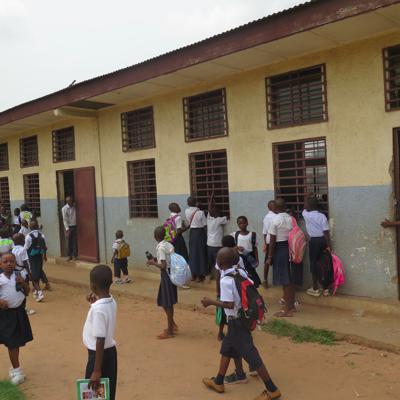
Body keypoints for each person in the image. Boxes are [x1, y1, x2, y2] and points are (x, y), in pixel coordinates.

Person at [201, 248, 281, 400]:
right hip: (243, 319)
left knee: (251, 355)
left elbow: (229, 304)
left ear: (220, 263)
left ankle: (272, 389)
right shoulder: (240, 272)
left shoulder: (225, 281)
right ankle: (218, 381)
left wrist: (210, 302)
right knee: (227, 348)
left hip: (237, 321)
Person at [83, 265, 118, 400]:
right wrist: (95, 303)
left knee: (94, 394)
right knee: (108, 393)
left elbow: (100, 339)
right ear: (111, 282)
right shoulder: (111, 301)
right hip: (110, 354)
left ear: (93, 286)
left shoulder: (98, 309)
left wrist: (97, 370)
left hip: (98, 357)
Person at [0, 252, 33, 385]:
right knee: (12, 343)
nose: (9, 264)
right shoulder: (0, 279)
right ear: (0, 264)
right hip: (5, 315)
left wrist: (23, 283)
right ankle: (17, 371)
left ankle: (15, 368)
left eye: (12, 261)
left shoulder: (20, 275)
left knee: (15, 342)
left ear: (15, 263)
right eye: (5, 262)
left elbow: (27, 292)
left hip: (18, 313)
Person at [147, 226, 178, 339]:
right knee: (164, 301)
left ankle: (170, 331)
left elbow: (163, 266)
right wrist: (156, 259)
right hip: (172, 274)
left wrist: (153, 263)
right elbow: (167, 259)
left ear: (155, 237)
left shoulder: (160, 248)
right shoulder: (168, 245)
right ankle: (172, 325)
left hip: (166, 276)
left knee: (167, 303)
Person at [265, 198, 294, 317]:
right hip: (289, 247)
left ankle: (286, 310)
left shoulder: (275, 219)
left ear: (276, 208)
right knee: (288, 279)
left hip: (279, 249)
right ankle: (291, 306)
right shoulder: (290, 218)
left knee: (285, 280)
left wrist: (270, 256)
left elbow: (272, 240)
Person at [302, 196, 331, 297]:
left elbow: (304, 207)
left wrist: (307, 197)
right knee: (325, 264)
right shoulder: (322, 216)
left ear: (309, 206)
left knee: (314, 264)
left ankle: (315, 288)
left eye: (306, 203)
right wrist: (329, 246)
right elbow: (326, 232)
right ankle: (326, 288)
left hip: (314, 242)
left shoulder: (305, 214)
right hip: (323, 241)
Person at [232, 216, 261, 287]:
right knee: (241, 274)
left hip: (250, 257)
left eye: (244, 223)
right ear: (237, 225)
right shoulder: (235, 234)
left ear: (247, 223)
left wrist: (257, 260)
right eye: (240, 223)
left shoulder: (253, 235)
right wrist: (237, 247)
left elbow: (255, 248)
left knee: (251, 274)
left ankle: (253, 287)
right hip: (239, 258)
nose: (242, 225)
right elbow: (232, 246)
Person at [12, 233, 36, 316]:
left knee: (18, 290)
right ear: (21, 241)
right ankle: (24, 309)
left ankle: (19, 308)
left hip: (15, 273)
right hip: (23, 273)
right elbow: (25, 263)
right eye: (23, 239)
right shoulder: (23, 250)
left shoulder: (12, 250)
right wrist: (30, 273)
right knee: (25, 291)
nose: (24, 241)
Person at [185, 197, 207, 282]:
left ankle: (193, 274)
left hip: (192, 233)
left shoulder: (186, 211)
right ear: (196, 202)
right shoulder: (200, 212)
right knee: (200, 253)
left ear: (188, 203)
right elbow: (204, 224)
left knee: (193, 253)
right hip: (200, 233)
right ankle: (200, 275)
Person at [25, 221, 48, 301]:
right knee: (38, 271)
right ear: (38, 226)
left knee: (34, 274)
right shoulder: (42, 235)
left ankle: (39, 292)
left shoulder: (28, 236)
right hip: (39, 256)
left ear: (30, 227)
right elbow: (44, 247)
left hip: (31, 257)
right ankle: (36, 291)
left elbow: (26, 248)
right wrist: (45, 256)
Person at [207, 193, 228, 280]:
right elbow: (227, 218)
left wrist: (211, 199)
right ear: (217, 214)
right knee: (218, 262)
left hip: (209, 245)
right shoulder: (219, 220)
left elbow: (209, 209)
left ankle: (210, 274)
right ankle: (218, 276)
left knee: (210, 261)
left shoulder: (208, 219)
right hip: (217, 245)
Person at [262, 200, 276, 288]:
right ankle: (265, 280)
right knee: (269, 260)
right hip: (274, 241)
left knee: (267, 261)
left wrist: (265, 243)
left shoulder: (266, 217)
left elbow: (264, 232)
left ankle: (265, 280)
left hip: (268, 241)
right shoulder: (275, 216)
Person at [62, 196, 77, 261]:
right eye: (69, 201)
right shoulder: (64, 209)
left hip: (75, 226)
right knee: (68, 242)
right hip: (68, 227)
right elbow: (65, 219)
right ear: (67, 202)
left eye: (71, 200)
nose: (71, 202)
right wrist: (67, 229)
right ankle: (69, 256)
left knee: (74, 241)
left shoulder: (75, 207)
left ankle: (74, 255)